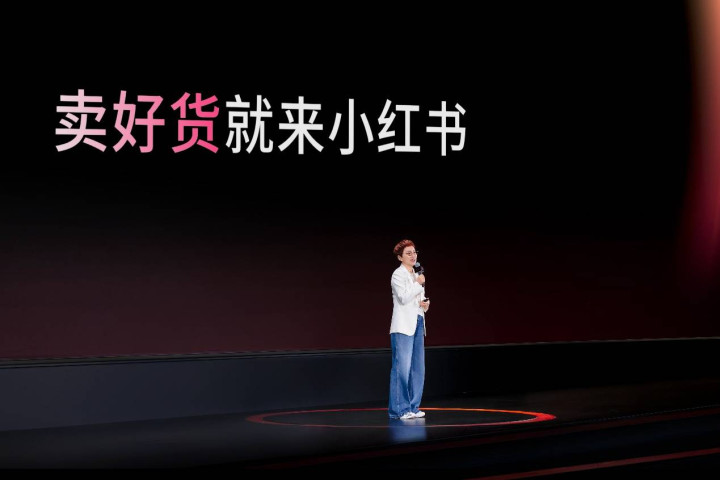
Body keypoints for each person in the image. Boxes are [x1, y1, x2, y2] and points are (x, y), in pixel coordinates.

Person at [388, 239, 430, 420]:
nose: (413, 256)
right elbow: (403, 298)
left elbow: (416, 300)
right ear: (400, 257)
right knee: (402, 369)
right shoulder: (398, 275)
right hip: (403, 326)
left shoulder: (416, 274)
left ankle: (413, 406)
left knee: (418, 368)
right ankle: (399, 410)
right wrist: (418, 284)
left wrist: (425, 305)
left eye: (414, 252)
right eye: (408, 253)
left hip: (418, 321)